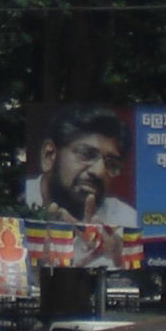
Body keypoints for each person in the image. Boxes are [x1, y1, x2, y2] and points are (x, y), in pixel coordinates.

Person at [24, 105, 137, 267]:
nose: (99, 172)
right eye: (86, 154)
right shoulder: (17, 204)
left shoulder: (125, 220)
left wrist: (121, 261)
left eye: (111, 164)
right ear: (49, 155)